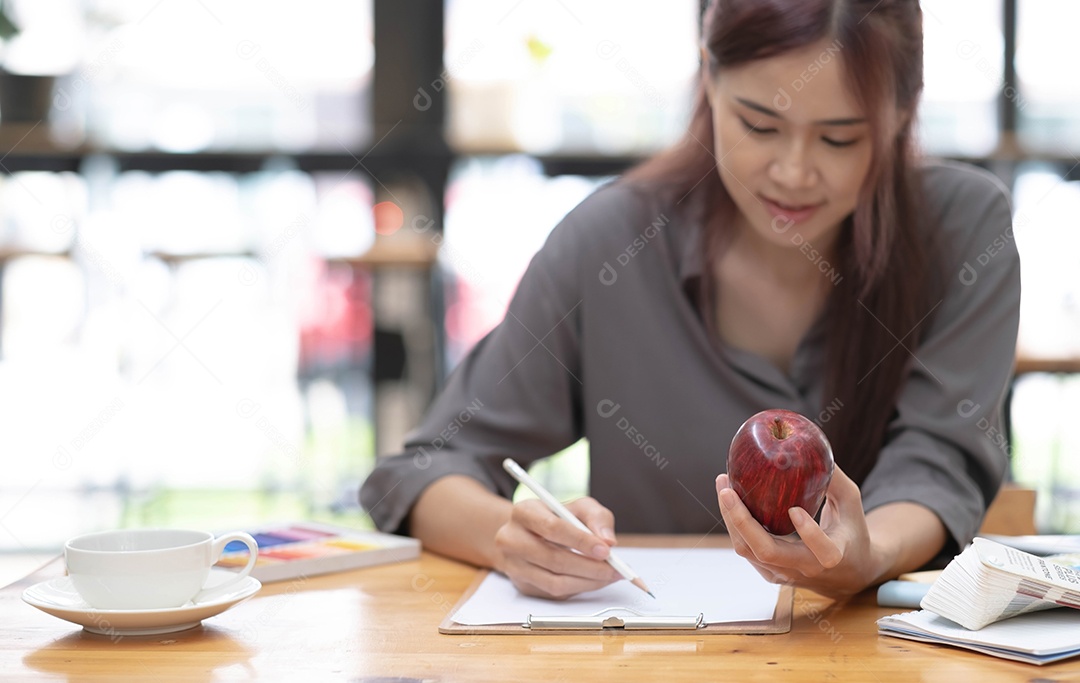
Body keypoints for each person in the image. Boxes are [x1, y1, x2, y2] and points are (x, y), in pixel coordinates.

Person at [360, 0, 1020, 602]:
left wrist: (867, 552)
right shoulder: (611, 242)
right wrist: (514, 535)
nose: (793, 171)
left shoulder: (960, 233)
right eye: (759, 124)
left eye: (839, 138)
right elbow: (423, 468)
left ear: (905, 109)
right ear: (708, 76)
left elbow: (938, 463)